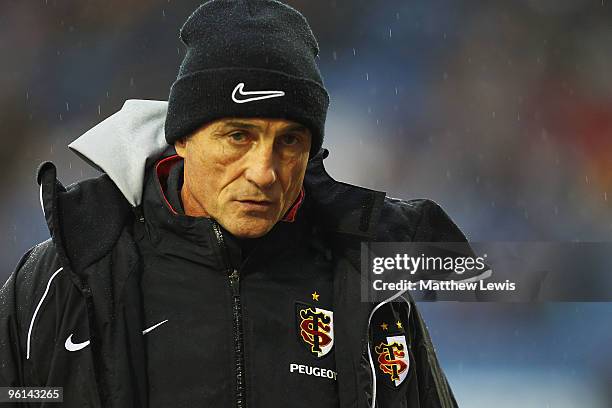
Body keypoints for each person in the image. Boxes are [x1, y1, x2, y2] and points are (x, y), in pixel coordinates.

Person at [0, 1, 486, 407]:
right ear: (183, 141)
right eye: (238, 136)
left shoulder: (370, 290)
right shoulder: (65, 278)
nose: (264, 171)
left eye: (289, 141)